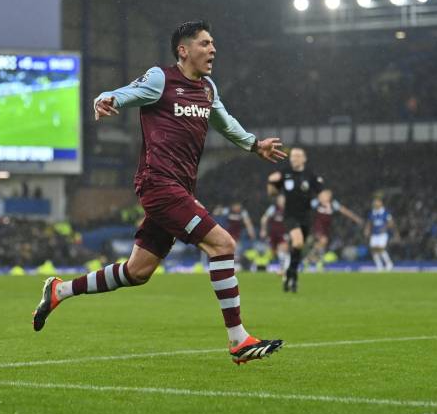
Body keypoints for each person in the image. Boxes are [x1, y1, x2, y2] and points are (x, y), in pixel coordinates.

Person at [32, 20, 288, 364]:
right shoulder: (161, 79)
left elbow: (224, 122)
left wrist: (255, 145)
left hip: (179, 187)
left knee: (137, 272)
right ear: (183, 50)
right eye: (204, 44)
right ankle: (238, 340)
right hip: (158, 184)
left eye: (213, 44)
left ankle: (59, 291)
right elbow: (124, 93)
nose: (212, 50)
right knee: (223, 244)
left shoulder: (208, 88)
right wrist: (106, 99)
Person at [267, 147, 323, 293]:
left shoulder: (310, 175)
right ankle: (292, 275)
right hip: (290, 216)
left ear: (304, 158)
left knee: (298, 249)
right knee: (297, 242)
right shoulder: (285, 173)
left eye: (298, 156)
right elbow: (272, 192)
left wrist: (324, 199)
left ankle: (291, 275)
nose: (294, 158)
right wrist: (270, 182)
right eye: (292, 156)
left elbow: (321, 192)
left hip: (306, 217)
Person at [305, 189, 363, 270]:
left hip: (327, 228)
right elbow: (305, 207)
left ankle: (310, 259)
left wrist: (356, 218)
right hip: (317, 226)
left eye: (328, 195)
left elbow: (344, 210)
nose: (326, 197)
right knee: (323, 240)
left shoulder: (333, 204)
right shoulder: (316, 202)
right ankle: (317, 260)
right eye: (324, 195)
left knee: (322, 244)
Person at [259, 194, 289, 275]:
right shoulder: (273, 208)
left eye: (283, 200)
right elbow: (264, 218)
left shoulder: (288, 209)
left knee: (282, 249)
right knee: (274, 252)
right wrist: (263, 230)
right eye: (280, 200)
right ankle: (280, 266)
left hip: (283, 233)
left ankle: (283, 269)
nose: (281, 201)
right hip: (273, 234)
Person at [365, 195, 395, 271]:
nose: (375, 203)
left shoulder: (385, 212)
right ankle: (379, 265)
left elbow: (391, 222)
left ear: (381, 203)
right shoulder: (372, 213)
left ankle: (389, 264)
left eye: (377, 202)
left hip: (382, 234)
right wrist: (367, 230)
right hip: (374, 234)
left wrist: (385, 228)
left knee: (381, 248)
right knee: (373, 249)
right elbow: (369, 222)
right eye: (374, 202)